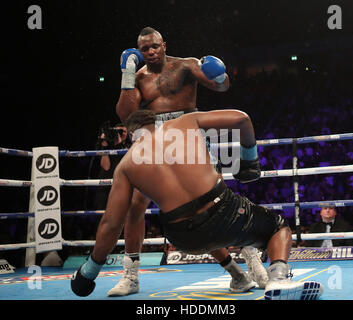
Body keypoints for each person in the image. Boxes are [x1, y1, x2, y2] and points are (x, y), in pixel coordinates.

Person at [71, 109, 323, 300]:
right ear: (156, 124)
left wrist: (88, 273)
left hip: (181, 237)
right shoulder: (183, 122)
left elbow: (111, 223)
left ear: (130, 135)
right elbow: (242, 119)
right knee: (278, 226)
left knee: (197, 222)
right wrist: (249, 162)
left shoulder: (126, 166)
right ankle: (277, 279)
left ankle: (238, 275)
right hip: (224, 213)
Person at [110, 26, 267, 296]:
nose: (150, 52)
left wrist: (219, 73)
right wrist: (126, 74)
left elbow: (221, 86)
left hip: (188, 132)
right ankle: (131, 276)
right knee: (136, 204)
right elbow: (126, 114)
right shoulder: (136, 77)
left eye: (154, 46)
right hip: (154, 139)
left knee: (213, 204)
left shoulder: (186, 66)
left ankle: (250, 256)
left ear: (164, 45)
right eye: (144, 48)